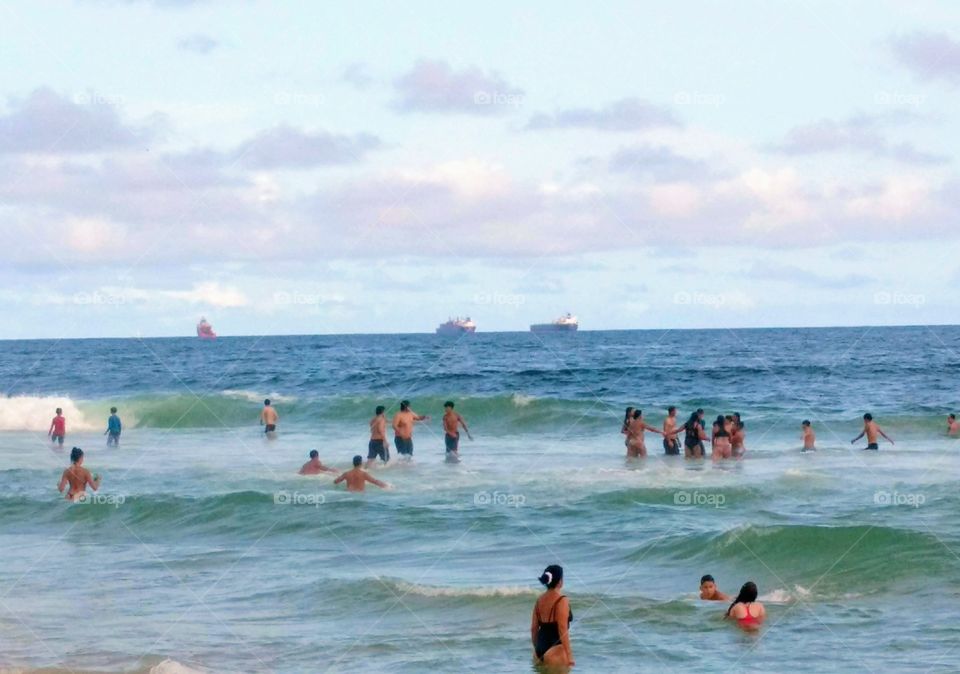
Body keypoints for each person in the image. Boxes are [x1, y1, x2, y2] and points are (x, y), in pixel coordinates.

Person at [530, 564, 574, 668]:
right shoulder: (562, 600)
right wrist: (569, 655)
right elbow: (562, 629)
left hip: (538, 651)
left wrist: (538, 649)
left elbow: (533, 629)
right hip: (556, 650)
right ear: (560, 581)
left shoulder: (539, 600)